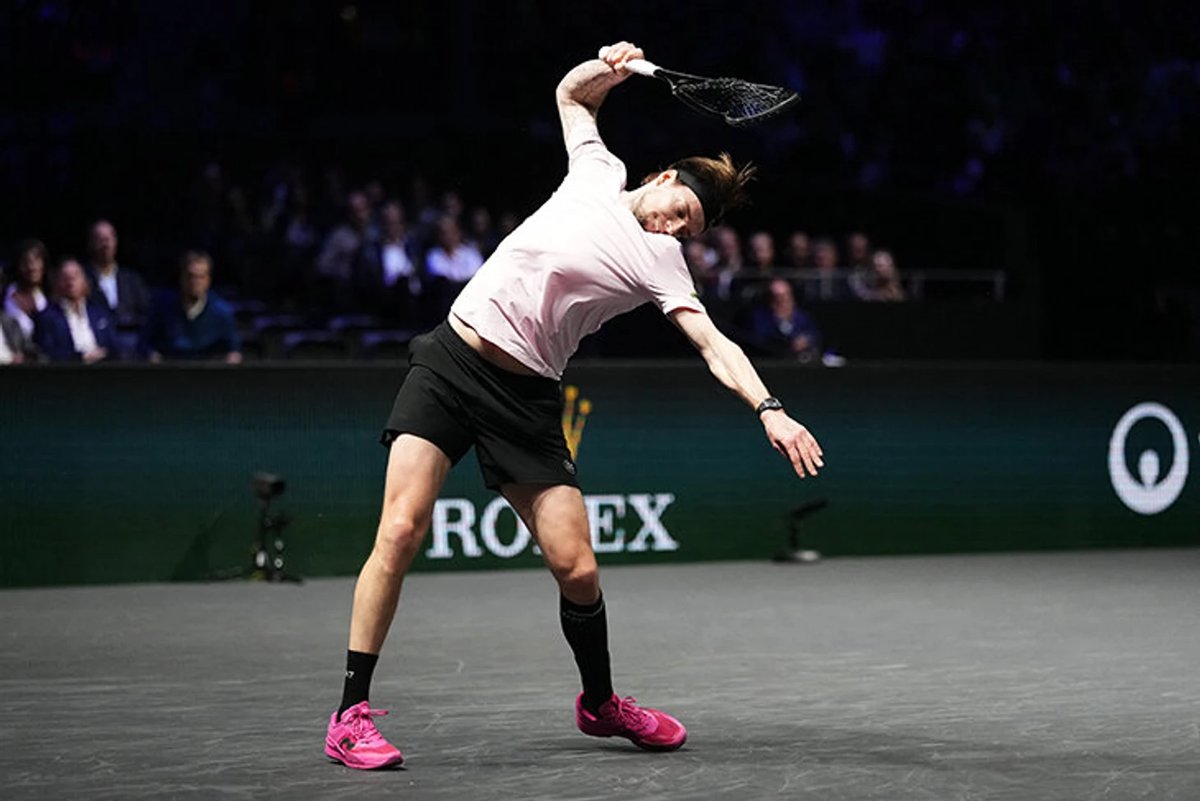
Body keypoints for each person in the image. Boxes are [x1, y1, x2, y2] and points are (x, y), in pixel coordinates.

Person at [323, 41, 825, 770]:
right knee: (399, 530)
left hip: (525, 395)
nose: (674, 228)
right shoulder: (597, 172)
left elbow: (715, 344)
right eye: (677, 210)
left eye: (687, 230)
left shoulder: (663, 263)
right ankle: (350, 714)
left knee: (578, 570)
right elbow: (570, 95)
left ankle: (599, 703)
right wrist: (611, 67)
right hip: (451, 362)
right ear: (659, 180)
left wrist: (769, 406)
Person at [141, 251, 241, 363]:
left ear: (208, 280)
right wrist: (153, 357)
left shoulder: (222, 312)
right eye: (191, 276)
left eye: (201, 277)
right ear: (182, 277)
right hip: (170, 370)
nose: (195, 282)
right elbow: (144, 343)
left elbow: (233, 350)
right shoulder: (162, 308)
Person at [33, 257, 116, 363]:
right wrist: (81, 358)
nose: (70, 280)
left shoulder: (99, 313)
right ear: (57, 282)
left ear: (84, 281)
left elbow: (114, 347)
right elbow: (48, 353)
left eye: (75, 275)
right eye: (65, 276)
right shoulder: (46, 317)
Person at [84, 220, 151, 328]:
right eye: (100, 240)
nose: (105, 244)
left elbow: (146, 313)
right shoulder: (83, 279)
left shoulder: (132, 280)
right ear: (90, 244)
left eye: (108, 239)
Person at [745, 278, 823, 362]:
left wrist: (805, 341)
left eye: (786, 295)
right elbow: (761, 339)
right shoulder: (761, 317)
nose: (783, 300)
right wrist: (789, 343)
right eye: (778, 296)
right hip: (773, 361)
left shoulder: (802, 316)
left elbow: (814, 334)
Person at [4, 239, 50, 339]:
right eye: (25, 262)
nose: (31, 267)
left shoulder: (50, 294)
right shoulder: (4, 295)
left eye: (36, 261)